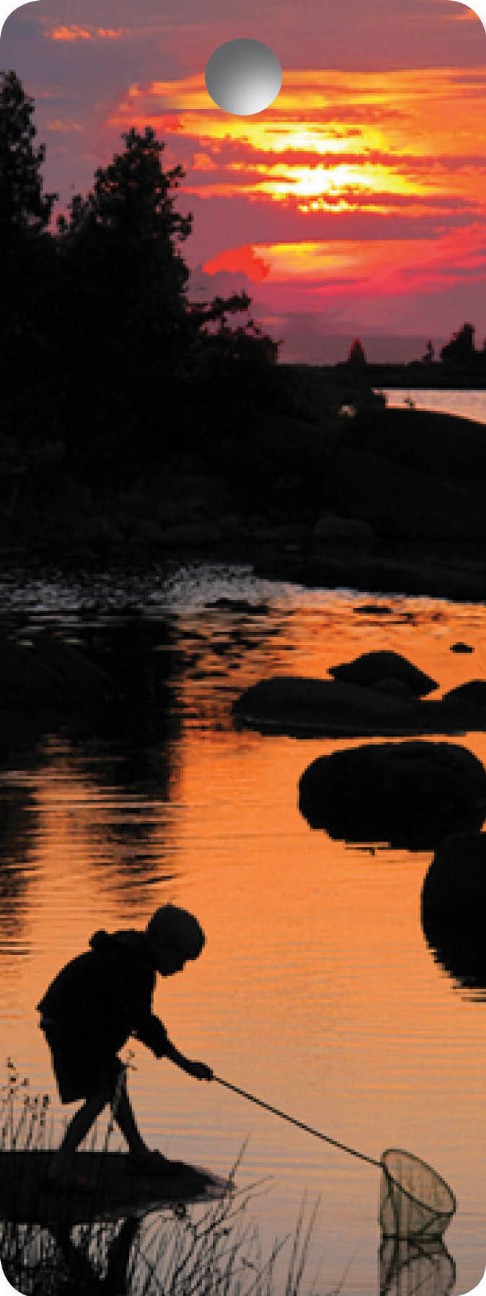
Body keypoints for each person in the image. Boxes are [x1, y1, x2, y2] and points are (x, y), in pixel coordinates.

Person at [37, 904, 213, 1185]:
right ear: (159, 944)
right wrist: (185, 1064)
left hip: (77, 1020)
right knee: (101, 1091)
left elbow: (133, 1016)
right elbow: (143, 1022)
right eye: (179, 958)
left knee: (115, 1077)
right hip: (69, 1022)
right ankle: (60, 1169)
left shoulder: (134, 959)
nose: (180, 967)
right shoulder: (133, 966)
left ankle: (138, 1153)